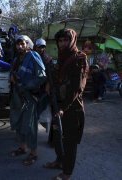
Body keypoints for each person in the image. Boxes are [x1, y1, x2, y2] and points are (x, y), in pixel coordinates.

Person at [43, 29, 88, 180]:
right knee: (57, 136)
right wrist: (49, 84)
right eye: (60, 41)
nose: (62, 43)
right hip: (58, 104)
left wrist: (63, 108)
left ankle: (67, 173)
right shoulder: (61, 58)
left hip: (71, 107)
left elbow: (77, 88)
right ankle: (59, 161)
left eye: (65, 40)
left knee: (69, 142)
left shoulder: (79, 58)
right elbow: (57, 78)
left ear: (72, 40)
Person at [9, 35, 46, 166]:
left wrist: (26, 86)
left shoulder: (33, 56)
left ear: (27, 44)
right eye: (17, 44)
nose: (19, 46)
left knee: (30, 125)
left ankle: (33, 153)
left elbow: (41, 76)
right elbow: (12, 73)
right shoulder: (16, 59)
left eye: (22, 44)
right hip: (17, 96)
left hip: (29, 96)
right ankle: (22, 147)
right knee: (18, 123)